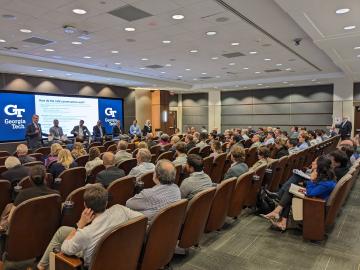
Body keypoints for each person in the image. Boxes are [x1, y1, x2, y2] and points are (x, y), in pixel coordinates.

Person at [37, 184, 143, 270]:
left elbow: (65, 248)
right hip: (119, 250)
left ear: (85, 205)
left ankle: (41, 266)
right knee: (63, 231)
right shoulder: (120, 209)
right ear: (106, 202)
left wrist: (80, 225)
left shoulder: (85, 233)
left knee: (64, 239)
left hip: (94, 261)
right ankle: (41, 266)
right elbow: (142, 219)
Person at [262, 156, 336, 231]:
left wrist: (311, 180)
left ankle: (278, 215)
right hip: (314, 199)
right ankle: (280, 217)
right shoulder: (325, 178)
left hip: (315, 204)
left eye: (315, 162)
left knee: (289, 192)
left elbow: (311, 193)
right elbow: (315, 187)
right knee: (291, 189)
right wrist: (305, 182)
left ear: (319, 167)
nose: (313, 163)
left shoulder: (327, 183)